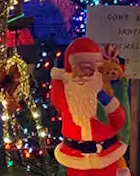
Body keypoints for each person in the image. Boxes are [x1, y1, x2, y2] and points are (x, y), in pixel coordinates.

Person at [50, 37, 130, 176]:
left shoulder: (104, 92)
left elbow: (119, 122)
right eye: (78, 69)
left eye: (89, 70)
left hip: (106, 156)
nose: (82, 76)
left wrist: (106, 100)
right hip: (75, 158)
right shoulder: (68, 94)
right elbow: (58, 101)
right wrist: (57, 79)